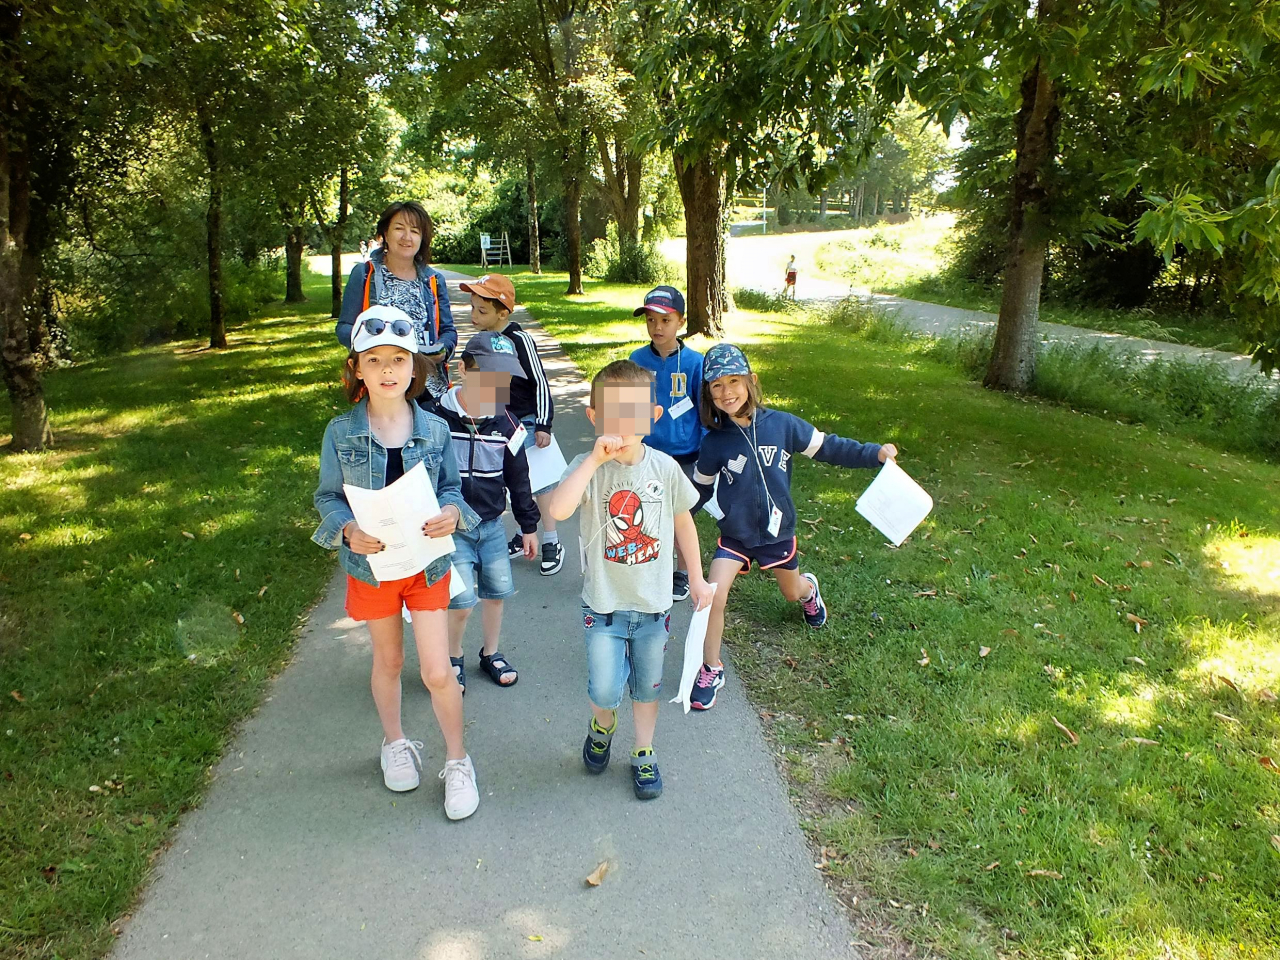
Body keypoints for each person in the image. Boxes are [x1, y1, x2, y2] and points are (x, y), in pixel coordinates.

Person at [312, 304, 483, 820]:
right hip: (373, 569)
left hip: (426, 565)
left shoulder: (435, 430)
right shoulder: (339, 433)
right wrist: (348, 530)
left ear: (415, 368)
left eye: (398, 359)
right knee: (388, 663)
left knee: (436, 670)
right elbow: (327, 497)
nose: (387, 370)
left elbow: (452, 489)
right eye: (374, 360)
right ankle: (395, 742)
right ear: (356, 369)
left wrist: (452, 513)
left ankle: (458, 760)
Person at [688, 343, 897, 711]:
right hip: (735, 535)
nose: (726, 392)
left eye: (734, 381)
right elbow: (699, 490)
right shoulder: (714, 443)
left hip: (777, 534)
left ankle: (808, 591)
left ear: (751, 381)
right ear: (708, 393)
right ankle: (712, 667)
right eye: (716, 385)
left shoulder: (784, 425)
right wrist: (673, 517)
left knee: (790, 591)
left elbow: (830, 447)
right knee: (713, 596)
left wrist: (874, 454)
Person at [549, 360, 715, 800]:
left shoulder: (665, 468)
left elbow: (683, 523)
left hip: (653, 605)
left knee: (647, 688)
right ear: (594, 416)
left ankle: (643, 750)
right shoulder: (588, 468)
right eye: (612, 412)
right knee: (604, 689)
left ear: (653, 417)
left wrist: (697, 578)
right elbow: (559, 510)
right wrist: (592, 460)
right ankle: (602, 725)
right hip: (603, 606)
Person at [428, 331, 540, 694]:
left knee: (497, 593)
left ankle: (490, 652)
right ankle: (452, 656)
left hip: (491, 526)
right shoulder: (435, 419)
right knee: (461, 602)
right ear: (462, 369)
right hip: (452, 529)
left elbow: (519, 479)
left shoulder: (508, 425)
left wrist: (528, 525)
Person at [457, 273, 564, 576]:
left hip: (526, 421)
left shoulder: (519, 339)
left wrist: (543, 423)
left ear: (502, 313)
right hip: (497, 422)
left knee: (538, 481)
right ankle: (522, 532)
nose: (474, 315)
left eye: (482, 310)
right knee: (509, 480)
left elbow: (539, 381)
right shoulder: (481, 341)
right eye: (472, 307)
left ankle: (552, 541)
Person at [627, 285, 704, 603]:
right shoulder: (636, 359)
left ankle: (682, 571)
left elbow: (704, 410)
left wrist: (707, 451)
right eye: (650, 320)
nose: (657, 327)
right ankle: (651, 566)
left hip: (684, 454)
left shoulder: (695, 362)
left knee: (680, 515)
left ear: (681, 322)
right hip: (645, 451)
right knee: (646, 513)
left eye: (665, 320)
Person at [336, 202, 455, 402]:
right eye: (399, 228)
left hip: (429, 388)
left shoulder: (434, 280)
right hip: (381, 383)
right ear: (385, 233)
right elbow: (344, 328)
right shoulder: (364, 274)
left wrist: (441, 351)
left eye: (415, 231)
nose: (407, 237)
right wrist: (377, 346)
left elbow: (448, 331)